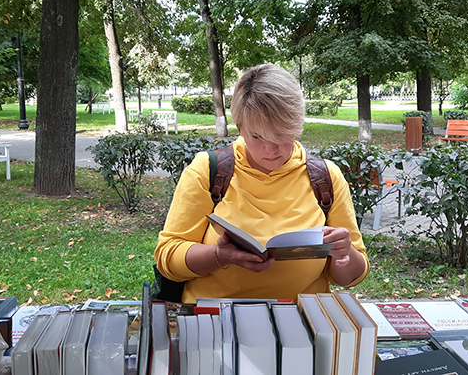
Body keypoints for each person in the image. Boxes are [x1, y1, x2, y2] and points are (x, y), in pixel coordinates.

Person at [154, 64, 369, 303]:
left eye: (280, 135)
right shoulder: (208, 171)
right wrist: (219, 255)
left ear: (295, 126)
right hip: (215, 315)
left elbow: (352, 277)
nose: (269, 149)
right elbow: (168, 258)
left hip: (301, 316)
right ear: (240, 126)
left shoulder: (325, 177)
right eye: (256, 136)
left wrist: (345, 253)